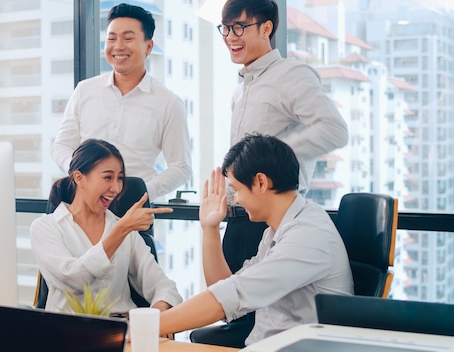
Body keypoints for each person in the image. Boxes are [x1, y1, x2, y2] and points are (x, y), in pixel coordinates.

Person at [196, 0, 349, 346]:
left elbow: (334, 130)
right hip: (241, 218)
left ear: (267, 28)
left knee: (243, 309)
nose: (231, 37)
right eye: (225, 28)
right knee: (232, 314)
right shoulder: (240, 89)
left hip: (269, 215)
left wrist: (267, 162)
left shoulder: (289, 76)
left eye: (240, 27)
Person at [160, 134, 353, 346]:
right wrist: (210, 228)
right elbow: (227, 294)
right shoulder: (276, 230)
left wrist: (149, 326)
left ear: (260, 182)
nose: (237, 199)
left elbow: (232, 296)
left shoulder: (308, 235)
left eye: (236, 189)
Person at [51, 3, 192, 201]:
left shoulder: (168, 102)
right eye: (111, 38)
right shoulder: (85, 90)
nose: (118, 46)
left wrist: (140, 193)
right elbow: (61, 146)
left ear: (148, 46)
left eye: (128, 38)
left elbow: (181, 168)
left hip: (132, 209)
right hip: (82, 205)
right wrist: (81, 177)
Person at [30, 139, 182, 315]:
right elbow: (74, 280)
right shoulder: (45, 228)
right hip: (69, 333)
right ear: (79, 178)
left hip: (123, 332)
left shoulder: (126, 232)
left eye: (120, 178)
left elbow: (164, 287)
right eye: (108, 177)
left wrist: (157, 316)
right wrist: (121, 230)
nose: (116, 188)